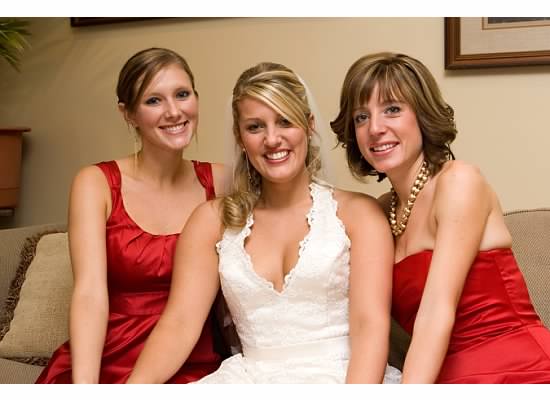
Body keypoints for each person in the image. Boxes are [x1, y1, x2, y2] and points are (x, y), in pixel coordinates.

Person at [126, 62, 402, 383]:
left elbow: (370, 327)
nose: (272, 139)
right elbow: (179, 324)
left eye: (285, 121)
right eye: (255, 127)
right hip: (247, 380)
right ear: (240, 137)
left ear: (309, 125)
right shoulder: (211, 221)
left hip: (344, 377)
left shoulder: (359, 215)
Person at [331, 51, 550, 383]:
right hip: (442, 376)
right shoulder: (379, 212)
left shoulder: (459, 181)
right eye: (361, 117)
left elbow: (437, 310)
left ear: (421, 115)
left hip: (519, 367)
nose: (375, 128)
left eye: (392, 109)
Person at [36, 48, 228, 384]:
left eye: (182, 94)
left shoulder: (224, 181)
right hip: (104, 360)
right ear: (128, 114)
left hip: (189, 363)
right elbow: (89, 294)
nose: (174, 111)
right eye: (153, 100)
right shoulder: (95, 183)